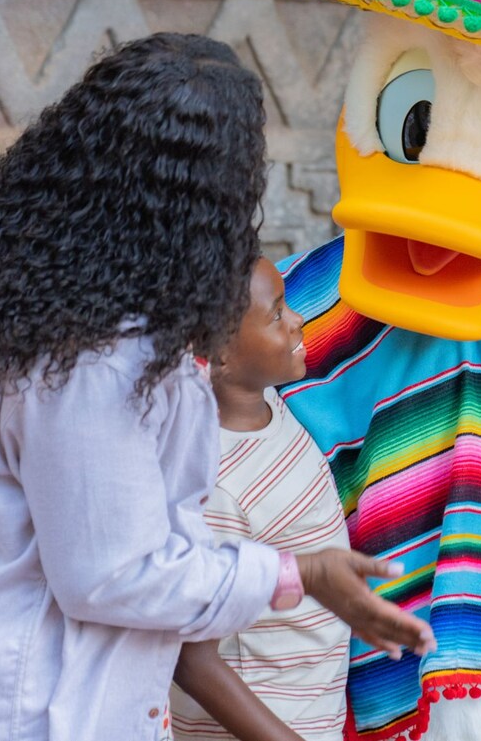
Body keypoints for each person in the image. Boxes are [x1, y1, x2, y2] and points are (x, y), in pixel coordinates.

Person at [0, 34, 433, 741]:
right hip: (25, 702)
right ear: (203, 205)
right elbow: (112, 575)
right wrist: (299, 575)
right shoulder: (99, 355)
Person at [170, 258, 351, 741]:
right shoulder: (216, 485)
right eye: (276, 314)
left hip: (309, 711)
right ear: (219, 357)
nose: (298, 319)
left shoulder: (267, 402)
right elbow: (191, 659)